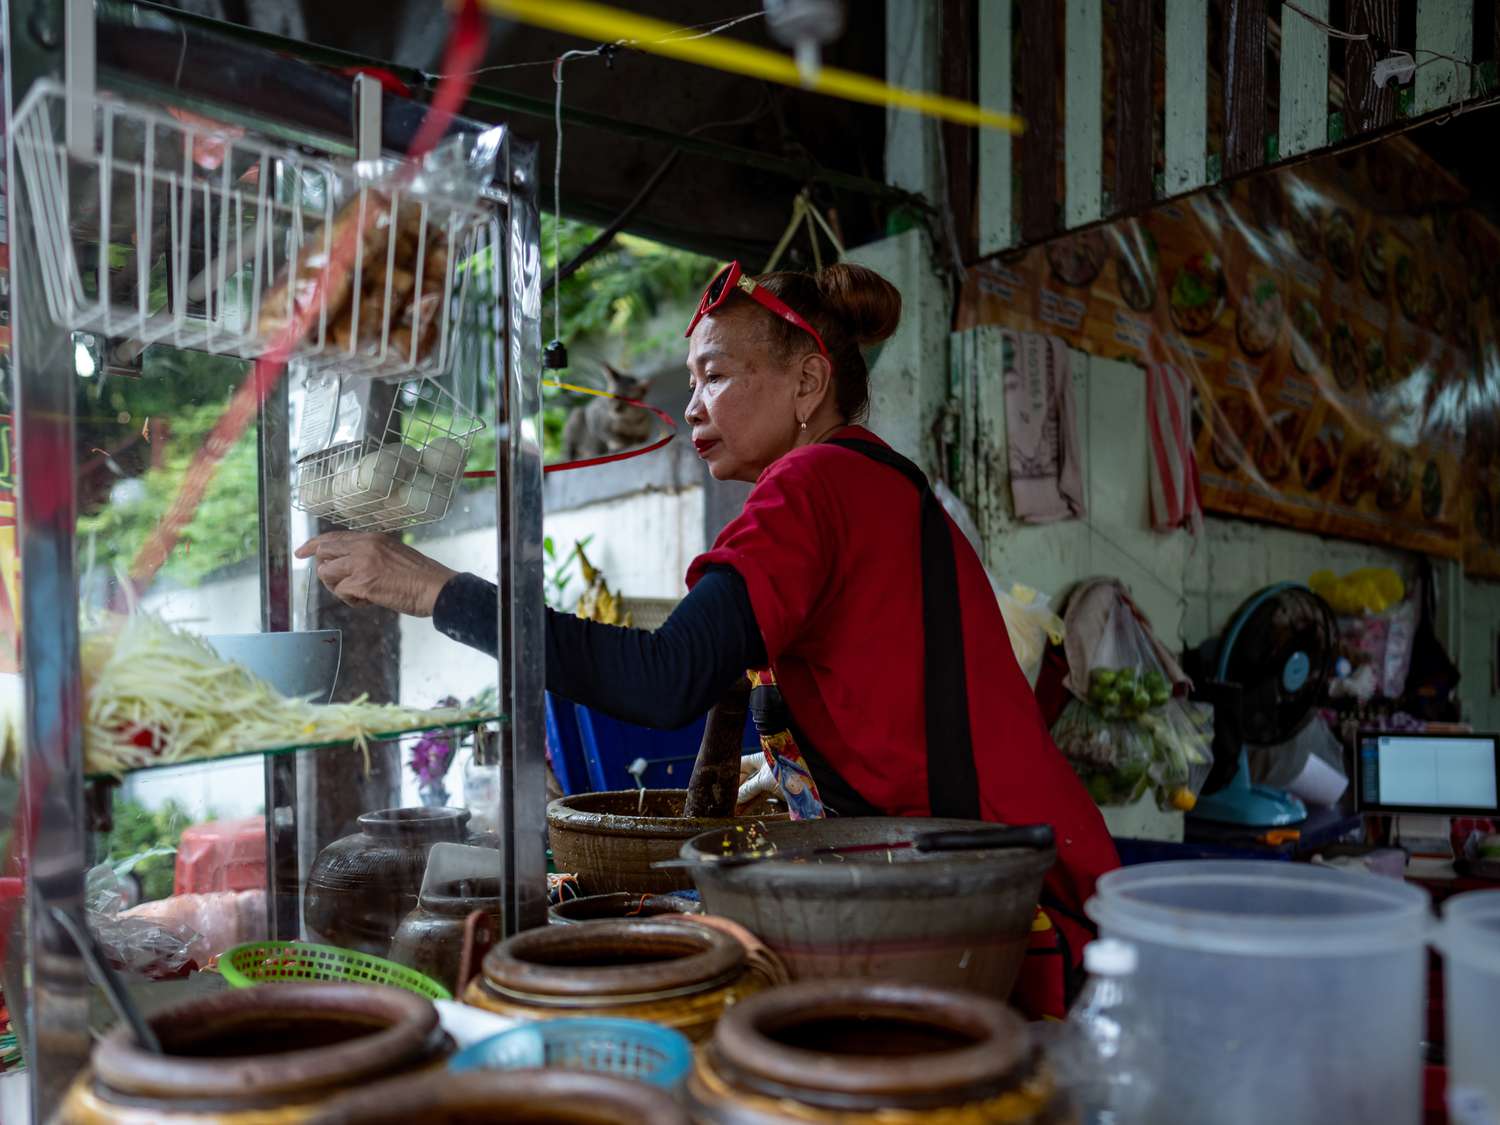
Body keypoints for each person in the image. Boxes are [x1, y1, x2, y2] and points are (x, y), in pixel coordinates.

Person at [298, 259, 1120, 1015]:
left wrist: (436, 591)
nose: (692, 405)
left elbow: (665, 680)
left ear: (808, 381)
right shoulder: (876, 477)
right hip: (1012, 879)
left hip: (993, 908)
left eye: (716, 375)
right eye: (691, 380)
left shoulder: (810, 484)